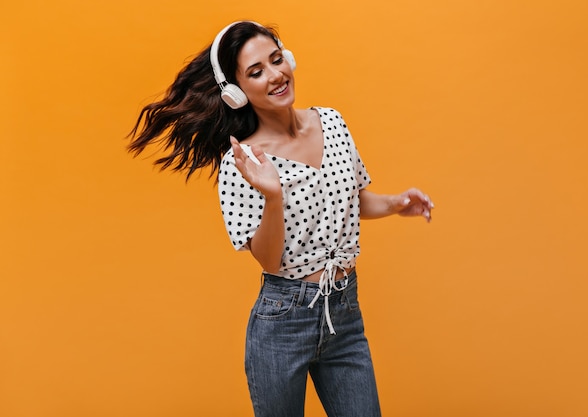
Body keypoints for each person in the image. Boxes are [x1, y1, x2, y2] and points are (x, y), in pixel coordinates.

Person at [128, 20, 434, 417]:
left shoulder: (333, 123)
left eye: (276, 60)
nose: (275, 75)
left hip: (343, 312)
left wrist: (394, 204)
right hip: (283, 321)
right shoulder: (243, 164)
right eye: (256, 72)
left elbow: (351, 202)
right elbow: (269, 261)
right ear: (236, 93)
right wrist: (273, 196)